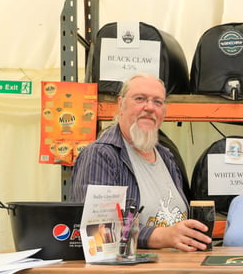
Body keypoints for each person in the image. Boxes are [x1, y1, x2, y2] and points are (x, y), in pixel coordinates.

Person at [71, 73, 211, 251]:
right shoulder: (101, 155)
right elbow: (97, 230)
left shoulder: (167, 157)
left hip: (176, 272)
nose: (150, 107)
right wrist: (160, 236)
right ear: (121, 104)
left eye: (158, 102)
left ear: (164, 112)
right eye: (140, 99)